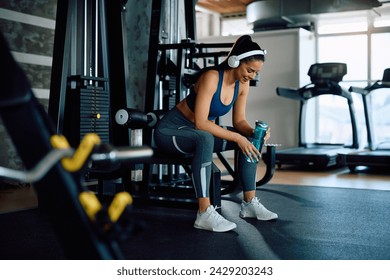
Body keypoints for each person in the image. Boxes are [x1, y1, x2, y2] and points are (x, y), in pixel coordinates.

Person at [154, 35, 278, 232]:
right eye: (249, 70)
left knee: (251, 139)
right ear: (235, 61)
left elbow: (239, 122)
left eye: (255, 72)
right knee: (206, 136)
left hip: (194, 132)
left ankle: (249, 203)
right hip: (170, 131)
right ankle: (204, 213)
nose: (252, 76)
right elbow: (201, 123)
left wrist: (253, 133)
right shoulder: (211, 77)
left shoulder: (242, 85)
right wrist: (237, 138)